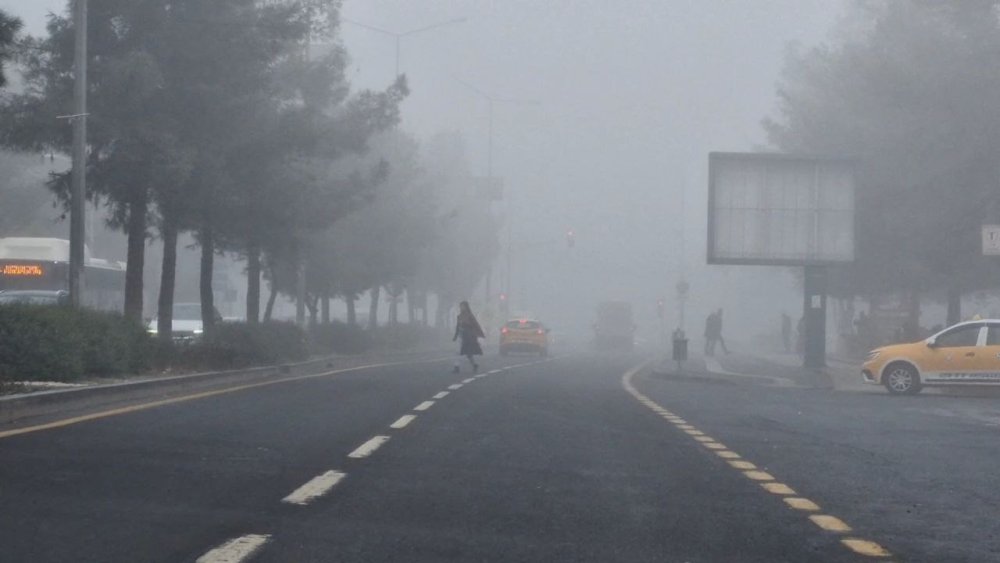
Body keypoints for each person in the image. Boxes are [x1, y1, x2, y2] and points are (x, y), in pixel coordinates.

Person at [453, 301, 485, 373]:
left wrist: (480, 334)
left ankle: (474, 364)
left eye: (463, 306)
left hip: (468, 336)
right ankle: (456, 367)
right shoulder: (459, 316)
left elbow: (476, 325)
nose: (461, 308)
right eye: (460, 306)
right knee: (457, 351)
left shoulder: (470, 316)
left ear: (466, 307)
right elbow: (457, 327)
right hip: (460, 335)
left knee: (468, 354)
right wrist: (455, 336)